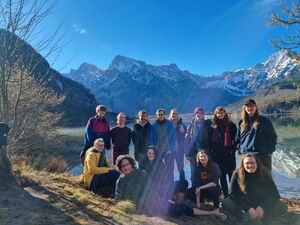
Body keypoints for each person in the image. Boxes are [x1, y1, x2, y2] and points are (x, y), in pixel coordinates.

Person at [222, 153, 287, 224]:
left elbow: (275, 194)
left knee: (282, 206)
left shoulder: (264, 173)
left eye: (252, 163)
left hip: (261, 201)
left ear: (257, 164)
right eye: (247, 163)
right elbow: (233, 194)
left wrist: (262, 207)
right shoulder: (237, 174)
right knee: (226, 202)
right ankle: (244, 217)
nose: (250, 165)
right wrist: (248, 208)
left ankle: (265, 219)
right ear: (243, 165)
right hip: (245, 202)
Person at [236, 99, 277, 171]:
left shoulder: (264, 121)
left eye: (252, 106)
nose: (250, 108)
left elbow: (272, 137)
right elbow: (237, 139)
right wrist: (241, 150)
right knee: (247, 180)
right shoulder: (241, 123)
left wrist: (269, 151)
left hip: (262, 156)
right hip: (246, 156)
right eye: (247, 106)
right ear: (244, 108)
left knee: (265, 180)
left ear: (256, 107)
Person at [210, 106, 237, 197]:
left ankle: (233, 194)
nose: (220, 114)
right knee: (222, 177)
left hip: (229, 155)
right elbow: (210, 141)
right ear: (215, 115)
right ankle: (225, 195)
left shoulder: (231, 125)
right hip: (217, 156)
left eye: (221, 113)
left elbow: (236, 140)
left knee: (231, 176)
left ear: (225, 113)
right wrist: (212, 152)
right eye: (218, 113)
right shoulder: (213, 126)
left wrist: (233, 150)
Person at [185, 107, 211, 186]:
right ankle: (194, 189)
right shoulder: (190, 125)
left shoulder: (207, 124)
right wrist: (187, 154)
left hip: (205, 152)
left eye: (200, 113)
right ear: (195, 115)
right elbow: (187, 141)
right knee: (193, 172)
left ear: (203, 115)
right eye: (197, 113)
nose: (199, 115)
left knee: (205, 171)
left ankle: (205, 190)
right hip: (193, 152)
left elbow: (211, 138)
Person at [150, 108, 176, 183]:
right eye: (158, 115)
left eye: (161, 114)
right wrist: (152, 148)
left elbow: (173, 138)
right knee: (158, 170)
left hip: (168, 151)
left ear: (164, 115)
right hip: (158, 151)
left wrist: (171, 150)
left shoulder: (169, 124)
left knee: (170, 171)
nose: (160, 116)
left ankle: (171, 187)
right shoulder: (153, 126)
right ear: (156, 116)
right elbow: (151, 138)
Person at [169, 108, 187, 181]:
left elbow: (186, 138)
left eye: (176, 114)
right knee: (169, 169)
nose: (175, 115)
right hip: (169, 150)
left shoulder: (181, 125)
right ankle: (170, 186)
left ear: (178, 115)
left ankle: (182, 185)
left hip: (179, 150)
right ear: (170, 114)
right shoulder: (166, 124)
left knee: (181, 168)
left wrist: (183, 132)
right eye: (173, 113)